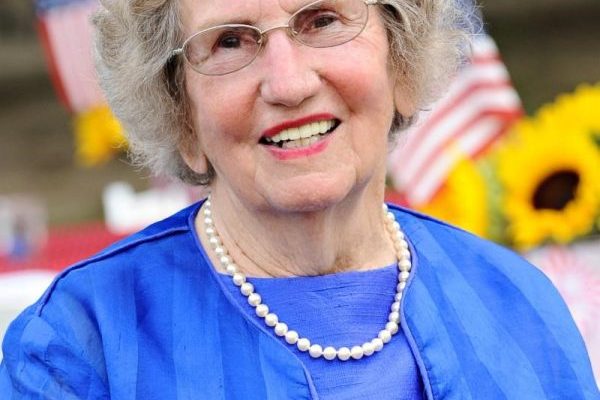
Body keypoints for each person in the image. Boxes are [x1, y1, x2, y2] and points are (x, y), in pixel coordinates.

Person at [1, 0, 598, 398]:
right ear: (182, 115)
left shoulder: (518, 301)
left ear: (401, 60)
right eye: (230, 42)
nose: (289, 83)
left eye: (323, 20)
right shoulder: (80, 346)